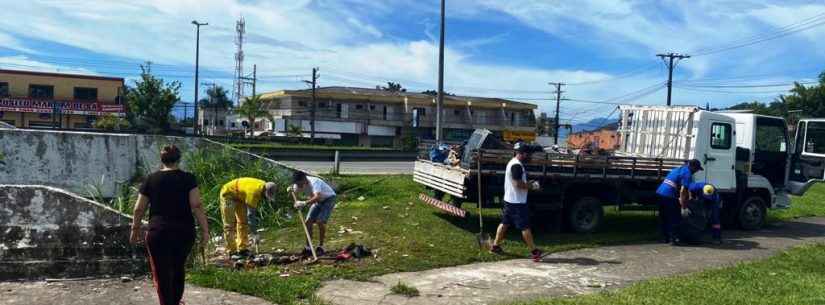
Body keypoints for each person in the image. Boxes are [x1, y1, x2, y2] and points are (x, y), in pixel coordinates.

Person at [129, 145, 210, 305]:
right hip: (184, 232)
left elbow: (138, 209)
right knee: (178, 268)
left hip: (159, 233)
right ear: (179, 159)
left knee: (161, 273)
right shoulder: (188, 178)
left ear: (162, 160)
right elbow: (196, 205)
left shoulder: (151, 179)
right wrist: (205, 230)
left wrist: (135, 229)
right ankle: (176, 301)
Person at [490, 142, 543, 261]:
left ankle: (495, 246)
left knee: (504, 223)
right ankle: (535, 252)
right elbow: (517, 184)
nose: (530, 157)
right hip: (517, 202)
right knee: (525, 227)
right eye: (528, 154)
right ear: (523, 154)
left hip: (510, 200)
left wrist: (528, 183)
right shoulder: (517, 166)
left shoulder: (512, 162)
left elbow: (517, 182)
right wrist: (533, 186)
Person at [219, 177, 277, 259]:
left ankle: (243, 248)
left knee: (243, 222)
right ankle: (232, 252)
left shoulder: (264, 186)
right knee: (229, 225)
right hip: (228, 194)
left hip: (240, 196)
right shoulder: (253, 192)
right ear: (265, 191)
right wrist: (254, 233)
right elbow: (251, 215)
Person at [655, 159, 703, 245]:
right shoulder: (688, 174)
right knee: (675, 217)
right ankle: (674, 239)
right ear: (692, 167)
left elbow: (686, 188)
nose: (696, 171)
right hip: (669, 195)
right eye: (696, 169)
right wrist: (683, 207)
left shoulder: (678, 169)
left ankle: (663, 238)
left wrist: (690, 197)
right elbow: (682, 191)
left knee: (663, 217)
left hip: (660, 193)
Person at [290, 171, 337, 256]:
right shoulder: (297, 185)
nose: (299, 186)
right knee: (308, 221)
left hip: (328, 199)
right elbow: (295, 194)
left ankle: (321, 247)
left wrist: (304, 203)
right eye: (297, 184)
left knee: (320, 221)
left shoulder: (315, 182)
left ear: (304, 179)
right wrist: (296, 203)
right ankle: (308, 248)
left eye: (300, 184)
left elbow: (317, 196)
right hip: (317, 202)